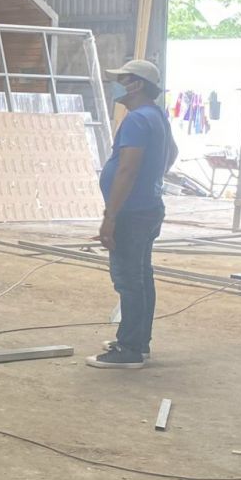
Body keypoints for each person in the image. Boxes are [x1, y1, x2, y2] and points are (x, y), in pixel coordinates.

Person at [91, 58, 177, 370]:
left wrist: (110, 216)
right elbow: (172, 152)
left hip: (131, 213)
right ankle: (138, 342)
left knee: (128, 280)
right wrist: (152, 177)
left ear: (137, 85)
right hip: (148, 208)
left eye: (123, 80)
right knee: (141, 277)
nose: (117, 86)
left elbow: (126, 169)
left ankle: (129, 349)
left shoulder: (137, 120)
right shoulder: (156, 115)